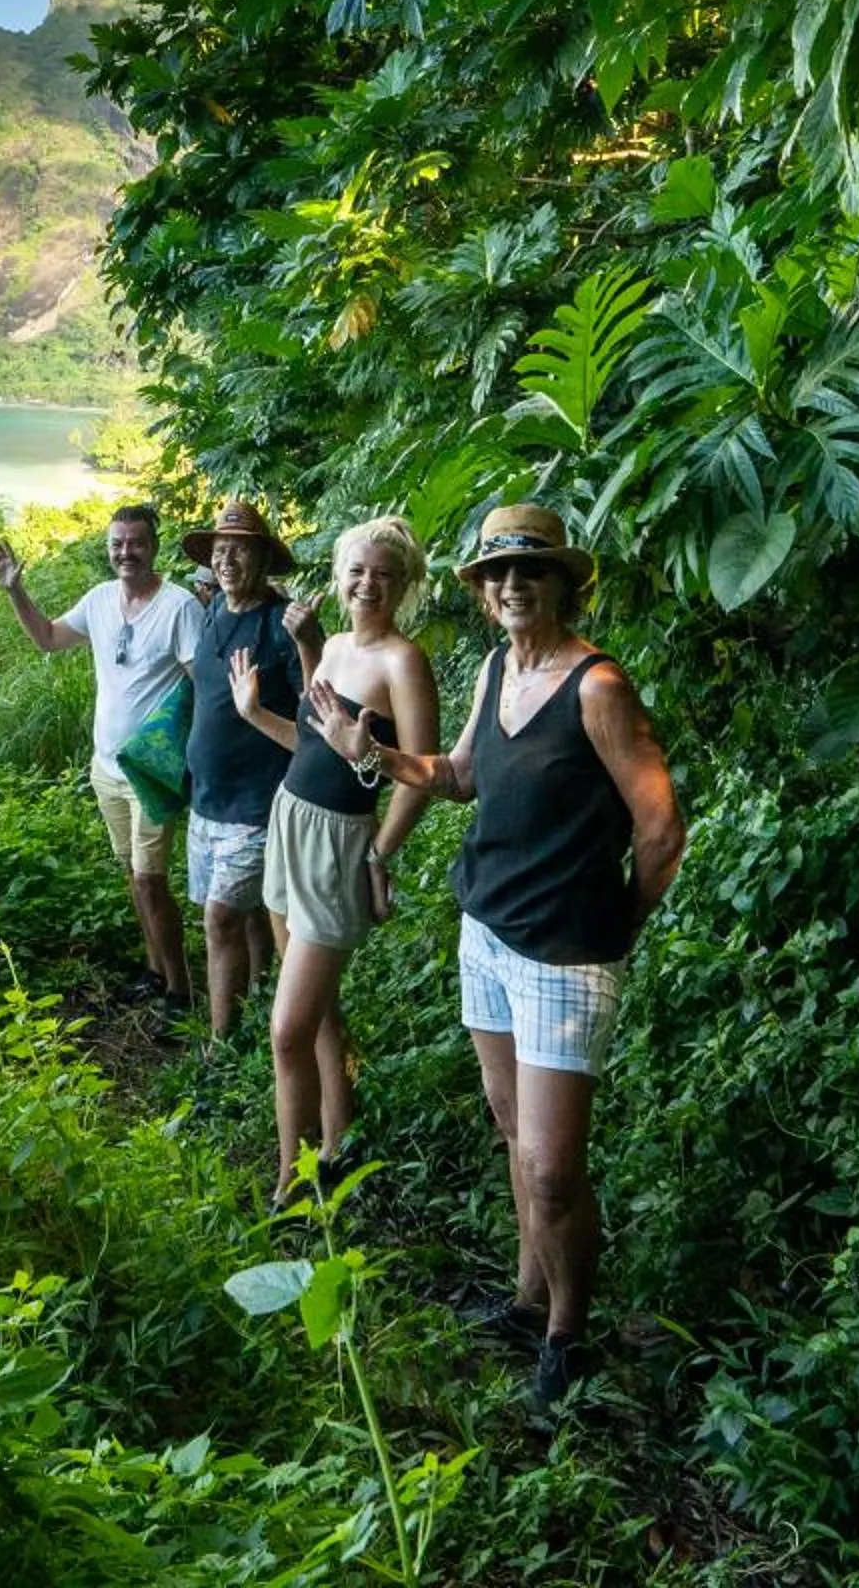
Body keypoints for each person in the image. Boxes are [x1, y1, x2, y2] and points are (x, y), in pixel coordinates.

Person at [310, 503, 685, 1423]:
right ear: (481, 595)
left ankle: (568, 1330)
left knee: (554, 1165)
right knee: (514, 1131)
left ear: (562, 584)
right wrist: (377, 754)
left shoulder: (596, 685)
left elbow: (660, 825)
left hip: (565, 951)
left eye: (533, 572)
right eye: (497, 575)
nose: (514, 587)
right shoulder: (493, 668)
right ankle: (526, 1301)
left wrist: (618, 925)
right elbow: (463, 776)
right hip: (486, 931)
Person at [228, 516, 438, 1208]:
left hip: (338, 843)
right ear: (340, 577)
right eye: (358, 569)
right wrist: (256, 713)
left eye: (383, 572)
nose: (368, 582)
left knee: (285, 1029)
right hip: (290, 823)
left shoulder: (403, 662)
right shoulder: (337, 646)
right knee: (316, 1016)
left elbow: (423, 774)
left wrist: (378, 851)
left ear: (404, 584)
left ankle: (294, 1178)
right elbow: (319, 746)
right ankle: (338, 1139)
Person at [0, 505, 203, 1008]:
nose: (126, 552)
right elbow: (47, 638)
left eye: (136, 543)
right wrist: (16, 591)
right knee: (132, 875)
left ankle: (180, 990)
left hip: (150, 771)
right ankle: (154, 969)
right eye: (117, 544)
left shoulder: (180, 607)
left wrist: (194, 759)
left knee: (150, 881)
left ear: (154, 546)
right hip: (105, 766)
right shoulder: (100, 600)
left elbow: (202, 687)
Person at [173, 502, 320, 1042]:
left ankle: (221, 1045)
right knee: (247, 915)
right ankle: (261, 1000)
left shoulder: (280, 626)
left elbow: (316, 711)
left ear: (262, 558)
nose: (227, 558)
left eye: (239, 548)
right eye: (219, 549)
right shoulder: (212, 611)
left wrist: (309, 641)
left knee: (221, 921)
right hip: (207, 800)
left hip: (256, 804)